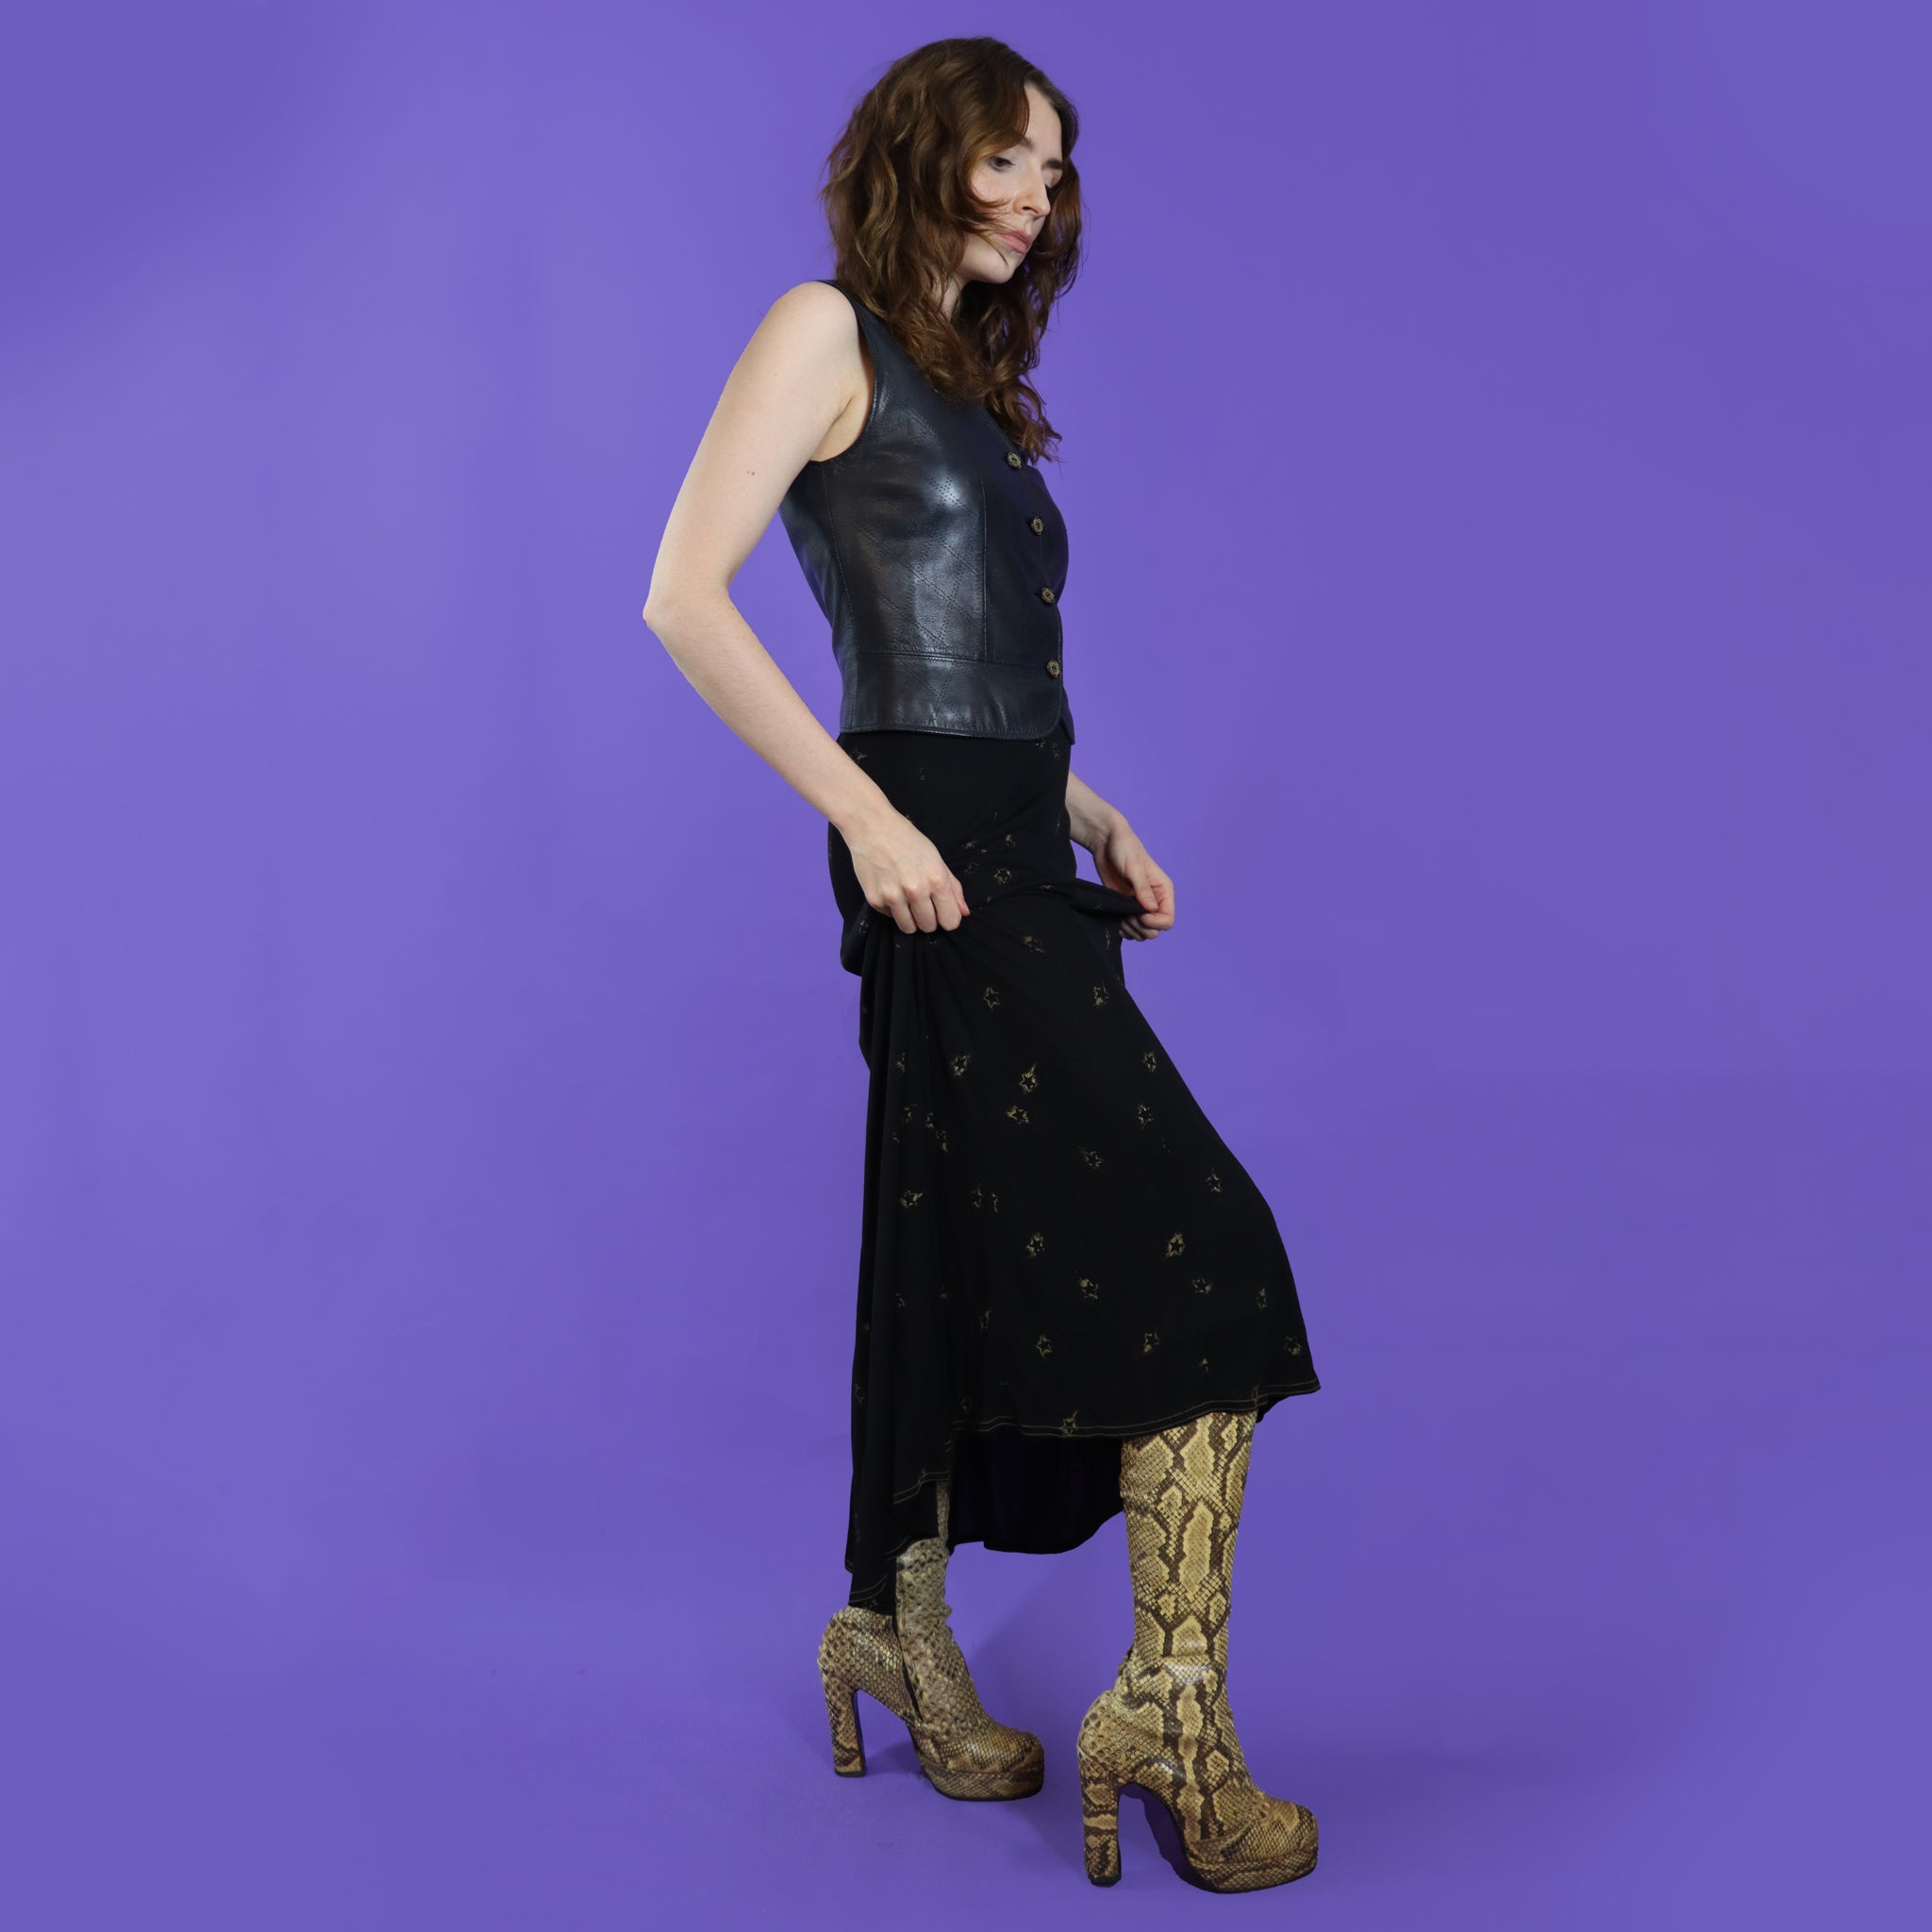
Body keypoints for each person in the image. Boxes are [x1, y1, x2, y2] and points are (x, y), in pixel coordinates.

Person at [642, 36, 1324, 1893]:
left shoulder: (974, 384)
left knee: (942, 1223)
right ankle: (1170, 1715)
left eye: (1056, 168)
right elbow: (683, 594)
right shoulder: (824, 331)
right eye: (1008, 156)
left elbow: (973, 651)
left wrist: (1093, 807)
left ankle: (893, 1620)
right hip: (931, 856)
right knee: (1208, 1252)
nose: (1039, 194)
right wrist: (867, 820)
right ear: (922, 150)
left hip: (1016, 836)